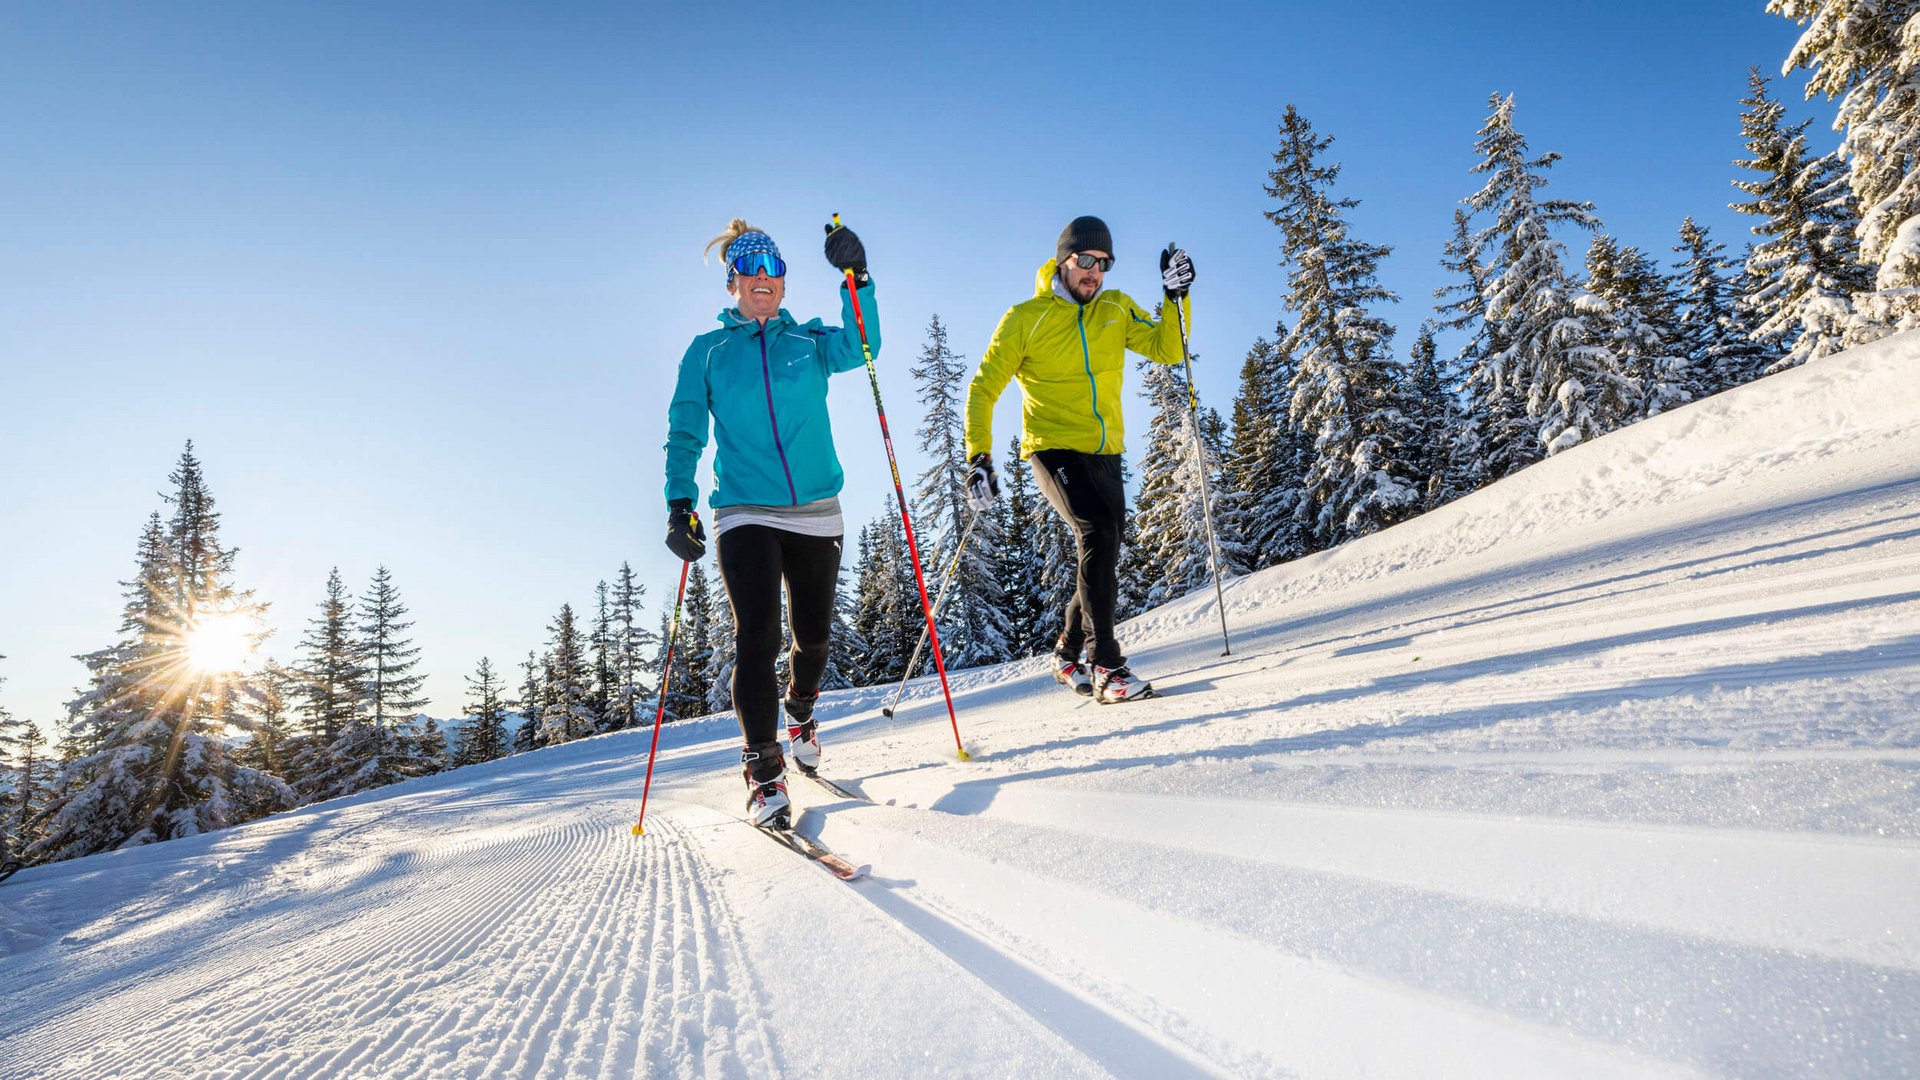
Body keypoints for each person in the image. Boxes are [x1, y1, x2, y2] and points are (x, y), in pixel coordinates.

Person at [662, 217, 877, 828]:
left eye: (773, 270)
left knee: (813, 638)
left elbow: (865, 345)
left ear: (783, 282)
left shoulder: (808, 343)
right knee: (756, 635)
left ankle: (801, 707)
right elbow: (684, 429)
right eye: (752, 270)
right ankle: (764, 774)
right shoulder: (708, 351)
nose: (763, 279)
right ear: (733, 281)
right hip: (745, 510)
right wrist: (680, 502)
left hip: (815, 510)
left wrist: (856, 278)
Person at [962, 215, 1195, 704]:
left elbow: (1168, 350)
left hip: (1105, 450)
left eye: (1103, 263)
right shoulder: (1026, 318)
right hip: (1051, 446)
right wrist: (978, 455)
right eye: (1085, 261)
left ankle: (1066, 651)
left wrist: (1177, 300)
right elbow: (984, 388)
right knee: (1096, 532)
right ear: (1063, 261)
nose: (1094, 272)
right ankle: (1106, 664)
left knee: (1104, 547)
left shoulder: (1115, 307)